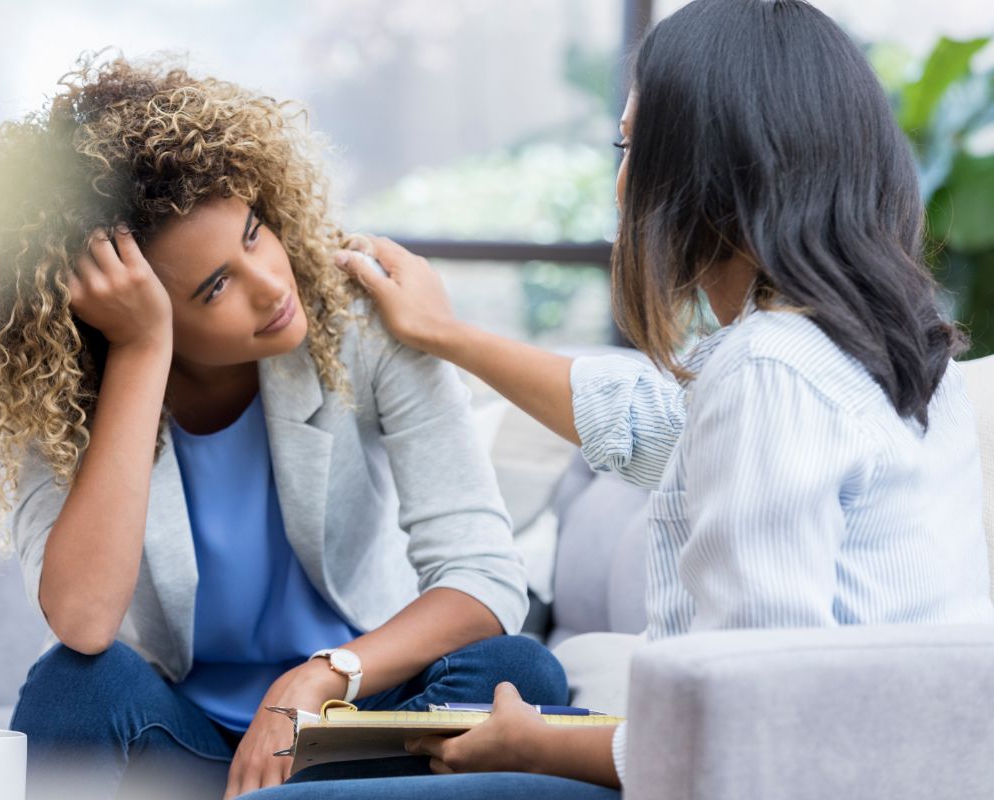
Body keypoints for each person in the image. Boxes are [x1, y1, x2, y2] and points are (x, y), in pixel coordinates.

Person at [249, 0, 994, 797]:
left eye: (631, 144)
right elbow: (652, 426)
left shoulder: (770, 368)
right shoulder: (898, 355)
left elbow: (753, 720)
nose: (621, 180)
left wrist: (535, 749)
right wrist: (447, 336)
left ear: (708, 170)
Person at [0, 56, 568, 800]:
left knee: (519, 671)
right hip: (183, 741)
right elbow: (83, 622)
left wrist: (322, 675)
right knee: (73, 684)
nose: (272, 284)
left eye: (253, 232)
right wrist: (144, 352)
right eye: (215, 287)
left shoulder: (363, 322)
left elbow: (483, 576)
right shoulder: (57, 394)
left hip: (352, 730)